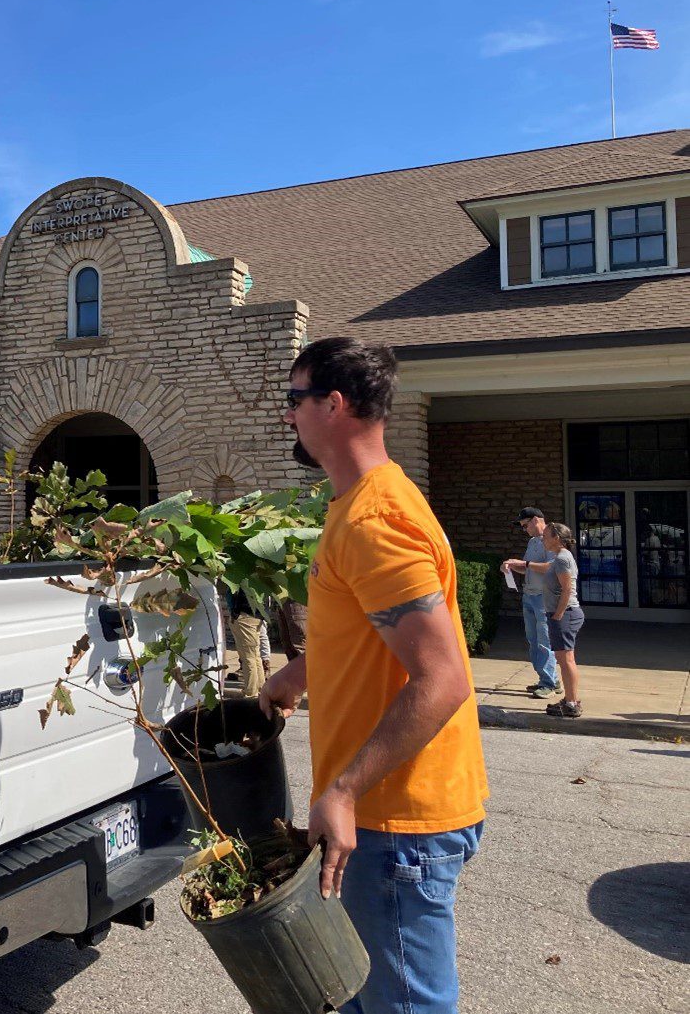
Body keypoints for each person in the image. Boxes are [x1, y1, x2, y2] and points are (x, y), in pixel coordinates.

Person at [259, 337, 488, 1014]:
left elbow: (442, 678)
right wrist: (298, 674)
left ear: (334, 404)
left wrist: (346, 790)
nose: (287, 417)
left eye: (294, 400)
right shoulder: (361, 503)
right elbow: (368, 633)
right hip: (386, 820)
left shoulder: (376, 519)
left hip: (394, 821)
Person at [510, 522, 584, 719]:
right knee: (563, 659)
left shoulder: (561, 558)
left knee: (567, 660)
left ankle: (571, 703)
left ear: (557, 538)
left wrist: (558, 614)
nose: (543, 539)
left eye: (546, 536)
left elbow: (567, 589)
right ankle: (570, 700)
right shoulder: (559, 557)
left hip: (565, 614)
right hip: (562, 614)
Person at [500, 508, 560, 698]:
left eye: (525, 525)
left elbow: (551, 568)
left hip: (544, 597)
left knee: (544, 641)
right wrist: (511, 567)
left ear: (536, 520)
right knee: (533, 641)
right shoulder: (533, 542)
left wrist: (524, 564)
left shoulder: (551, 539)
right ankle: (548, 678)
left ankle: (548, 683)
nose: (524, 529)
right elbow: (528, 569)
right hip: (529, 595)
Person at [224, 587, 267, 694]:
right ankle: (260, 688)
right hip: (255, 616)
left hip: (245, 616)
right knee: (255, 656)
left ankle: (251, 692)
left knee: (248, 658)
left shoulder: (242, 577)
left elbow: (233, 594)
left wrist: (235, 613)